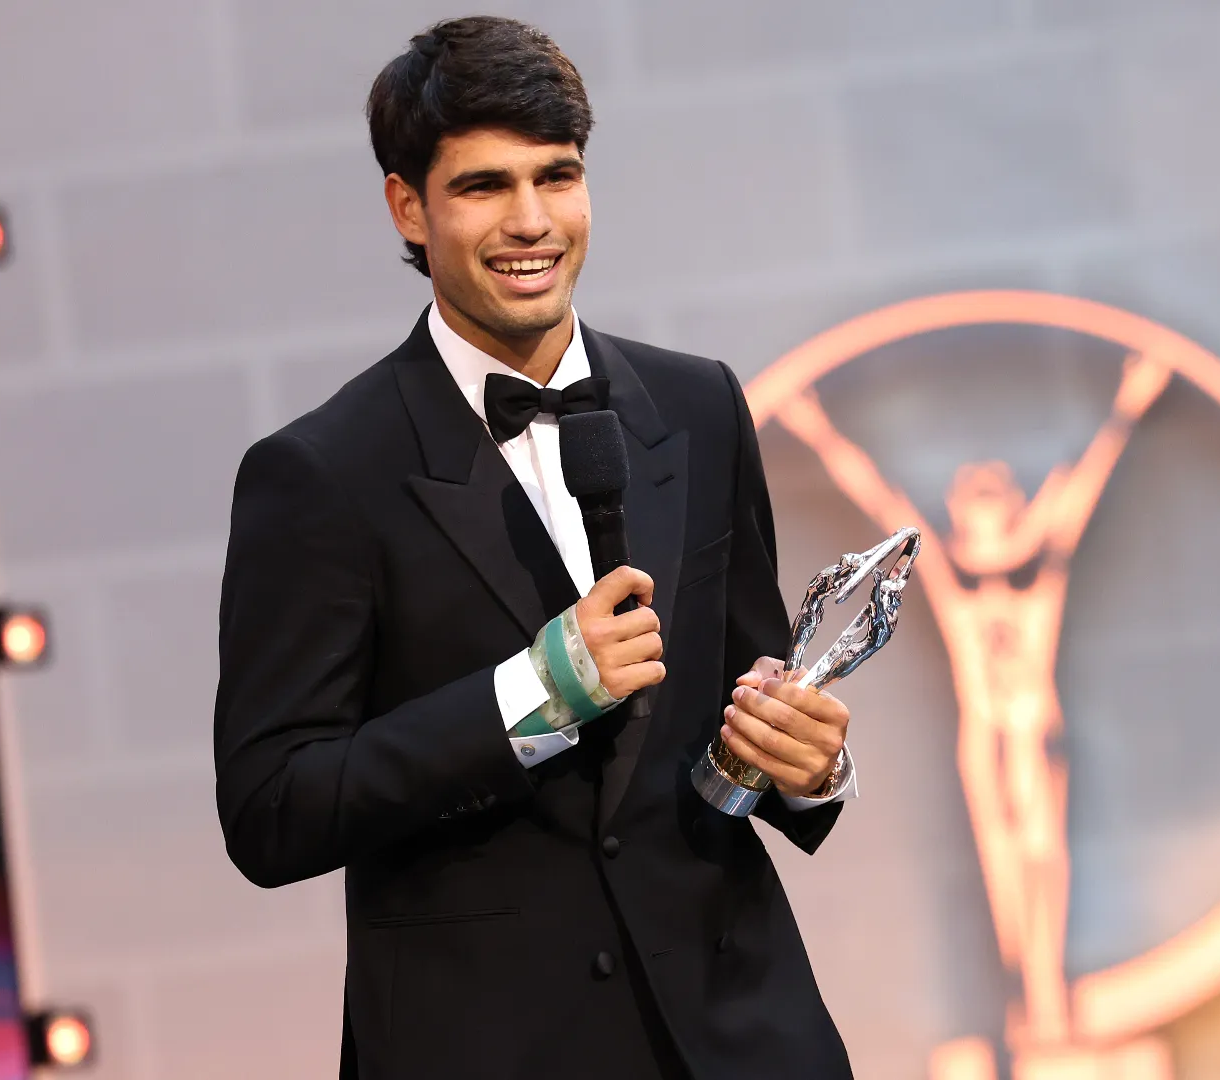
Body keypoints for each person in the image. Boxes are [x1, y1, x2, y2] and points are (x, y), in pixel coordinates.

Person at [213, 16, 857, 1079]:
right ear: (408, 206)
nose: (531, 221)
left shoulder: (699, 405)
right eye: (484, 186)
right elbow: (271, 809)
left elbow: (746, 697)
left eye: (557, 176)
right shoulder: (322, 473)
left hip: (739, 1036)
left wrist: (805, 766)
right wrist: (532, 696)